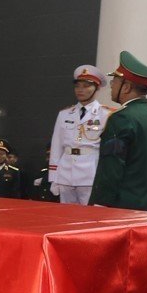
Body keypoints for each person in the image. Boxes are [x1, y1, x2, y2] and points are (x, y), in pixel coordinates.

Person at [91, 51, 147, 211]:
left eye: (115, 81)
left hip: (122, 206)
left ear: (126, 87)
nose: (111, 85)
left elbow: (112, 166)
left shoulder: (121, 118)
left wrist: (100, 203)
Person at [47, 64, 113, 205]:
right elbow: (57, 146)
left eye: (86, 86)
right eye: (77, 86)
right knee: (66, 214)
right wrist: (53, 177)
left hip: (90, 174)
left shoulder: (106, 114)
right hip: (65, 173)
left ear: (97, 88)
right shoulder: (64, 114)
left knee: (89, 214)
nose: (80, 90)